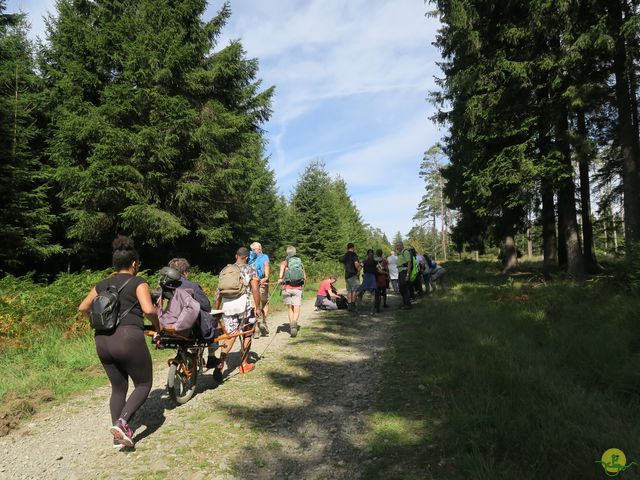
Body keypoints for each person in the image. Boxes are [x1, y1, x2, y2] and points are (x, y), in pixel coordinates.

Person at [78, 235, 159, 448]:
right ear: (134, 264)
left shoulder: (102, 284)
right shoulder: (138, 282)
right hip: (128, 338)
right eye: (138, 263)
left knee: (118, 387)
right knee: (143, 383)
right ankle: (123, 424)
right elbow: (149, 309)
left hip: (102, 341)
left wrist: (97, 323)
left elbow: (83, 308)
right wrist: (158, 325)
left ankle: (118, 435)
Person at [215, 247, 262, 374]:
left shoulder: (225, 270)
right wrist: (257, 307)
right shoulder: (249, 268)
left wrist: (217, 310)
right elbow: (255, 289)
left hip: (227, 307)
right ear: (246, 257)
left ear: (236, 256)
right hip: (244, 307)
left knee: (230, 336)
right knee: (247, 334)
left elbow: (218, 293)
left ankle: (220, 365)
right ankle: (244, 364)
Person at [167, 258, 218, 368]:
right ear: (185, 272)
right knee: (213, 322)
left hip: (171, 322)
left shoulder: (166, 286)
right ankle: (212, 356)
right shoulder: (192, 286)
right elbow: (206, 306)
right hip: (191, 327)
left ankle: (194, 355)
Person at [278, 246, 306, 337]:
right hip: (297, 288)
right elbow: (304, 277)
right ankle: (294, 324)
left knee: (290, 308)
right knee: (296, 308)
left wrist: (280, 279)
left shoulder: (284, 263)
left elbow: (280, 276)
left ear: (287, 253)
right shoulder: (300, 262)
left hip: (287, 288)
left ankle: (291, 326)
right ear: (295, 252)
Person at [249, 242, 270, 338]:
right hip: (262, 283)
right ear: (260, 248)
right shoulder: (264, 257)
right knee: (265, 302)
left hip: (251, 285)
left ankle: (256, 329)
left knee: (254, 305)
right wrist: (266, 277)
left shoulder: (249, 259)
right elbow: (266, 269)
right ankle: (263, 321)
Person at [357, 249, 378, 314]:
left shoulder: (364, 261)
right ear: (373, 254)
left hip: (366, 278)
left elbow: (359, 269)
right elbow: (379, 269)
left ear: (367, 254)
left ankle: (358, 309)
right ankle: (372, 310)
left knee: (360, 294)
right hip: (372, 278)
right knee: (373, 295)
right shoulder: (375, 262)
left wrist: (358, 274)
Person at [341, 243, 361, 312]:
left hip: (346, 275)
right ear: (353, 247)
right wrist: (358, 270)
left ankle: (349, 305)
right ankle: (353, 304)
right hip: (353, 274)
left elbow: (343, 265)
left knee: (349, 291)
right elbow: (356, 263)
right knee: (355, 290)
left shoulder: (345, 255)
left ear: (347, 247)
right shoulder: (354, 254)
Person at [395, 240, 413, 309]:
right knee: (401, 288)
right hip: (400, 272)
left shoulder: (405, 252)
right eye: (396, 246)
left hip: (404, 272)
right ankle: (404, 303)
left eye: (398, 245)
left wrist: (408, 274)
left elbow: (409, 263)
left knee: (404, 288)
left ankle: (408, 305)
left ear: (402, 245)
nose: (397, 247)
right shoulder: (400, 253)